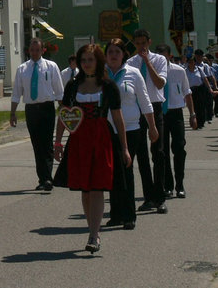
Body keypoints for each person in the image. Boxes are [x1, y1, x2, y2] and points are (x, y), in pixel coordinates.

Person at [54, 44, 130, 254]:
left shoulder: (108, 86)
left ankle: (94, 234)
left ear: (98, 62)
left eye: (91, 60)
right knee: (85, 190)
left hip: (101, 138)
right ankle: (92, 229)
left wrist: (124, 148)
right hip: (79, 139)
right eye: (84, 60)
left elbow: (117, 118)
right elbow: (63, 115)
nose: (87, 64)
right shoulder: (72, 86)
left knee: (97, 187)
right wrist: (58, 142)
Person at [104, 39, 157, 230]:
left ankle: (129, 215)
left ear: (123, 54)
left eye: (117, 51)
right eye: (110, 51)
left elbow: (145, 102)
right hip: (107, 130)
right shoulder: (101, 75)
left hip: (132, 129)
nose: (114, 55)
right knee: (112, 172)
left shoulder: (133, 74)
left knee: (126, 170)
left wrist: (152, 126)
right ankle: (115, 214)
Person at [10, 37, 64, 192]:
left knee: (46, 143)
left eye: (37, 50)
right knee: (36, 144)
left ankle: (47, 178)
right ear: (29, 51)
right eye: (32, 50)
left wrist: (64, 110)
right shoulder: (22, 69)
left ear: (43, 50)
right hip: (32, 110)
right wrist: (12, 113)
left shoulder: (51, 67)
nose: (34, 53)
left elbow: (59, 91)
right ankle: (42, 177)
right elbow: (16, 93)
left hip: (47, 108)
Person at [125, 29, 168, 214]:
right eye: (137, 43)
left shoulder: (159, 60)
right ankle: (148, 196)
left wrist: (147, 62)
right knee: (141, 155)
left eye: (144, 43)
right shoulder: (129, 63)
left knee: (158, 153)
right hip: (138, 110)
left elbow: (160, 83)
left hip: (155, 107)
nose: (141, 46)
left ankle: (160, 197)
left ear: (149, 42)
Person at [156, 44, 196, 198]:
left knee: (179, 148)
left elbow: (187, 92)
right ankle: (168, 185)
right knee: (162, 150)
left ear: (169, 56)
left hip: (176, 113)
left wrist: (192, 114)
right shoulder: (153, 72)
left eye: (163, 55)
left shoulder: (179, 71)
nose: (160, 58)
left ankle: (180, 184)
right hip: (160, 113)